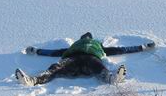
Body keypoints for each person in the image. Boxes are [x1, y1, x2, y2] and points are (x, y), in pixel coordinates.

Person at [14, 32, 155, 86]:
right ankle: (33, 81)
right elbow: (54, 52)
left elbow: (121, 49)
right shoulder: (72, 47)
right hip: (72, 60)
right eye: (84, 38)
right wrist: (37, 51)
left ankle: (112, 79)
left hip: (90, 60)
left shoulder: (99, 47)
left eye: (89, 38)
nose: (86, 39)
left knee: (98, 67)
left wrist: (142, 47)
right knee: (55, 67)